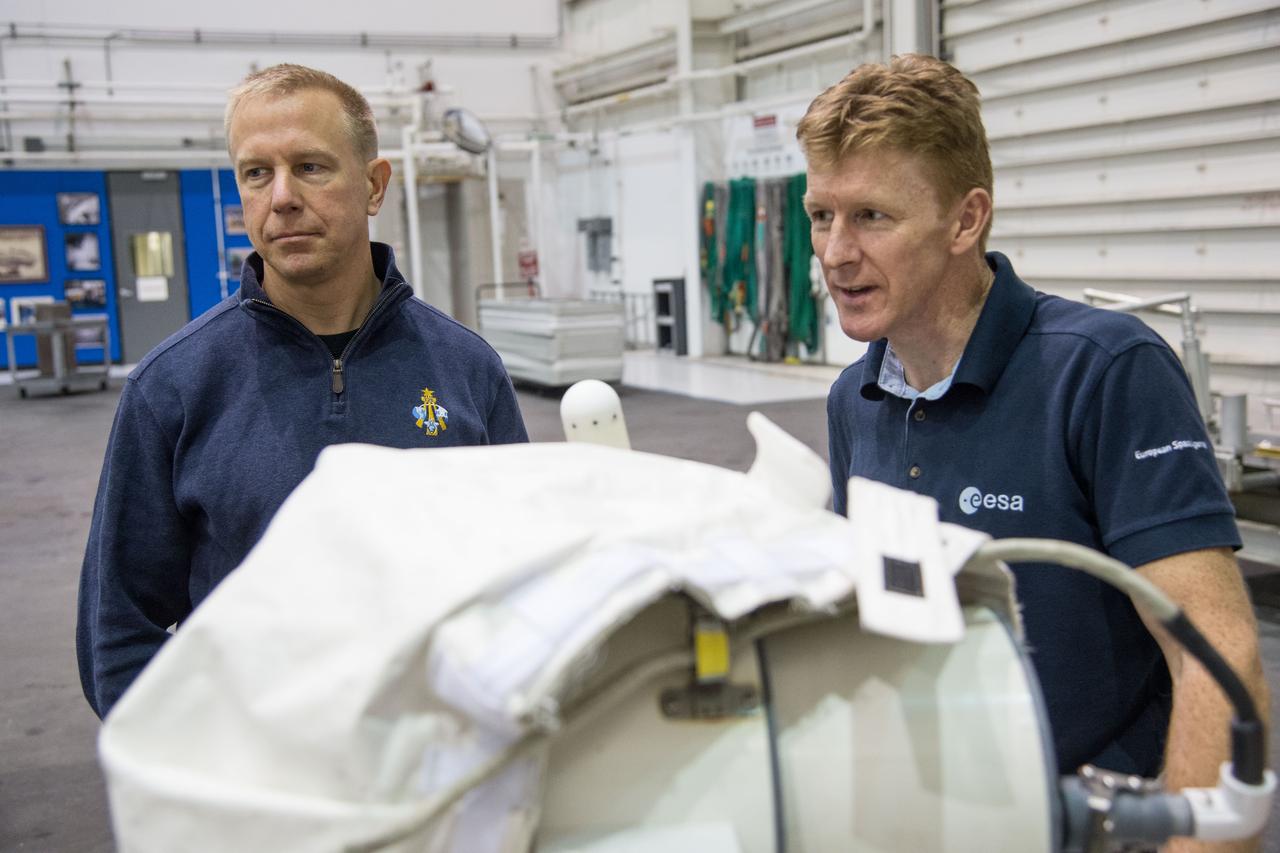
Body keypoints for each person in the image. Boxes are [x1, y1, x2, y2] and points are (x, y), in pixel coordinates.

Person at [800, 55, 1266, 850]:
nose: (836, 252)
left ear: (964, 220)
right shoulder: (857, 398)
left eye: (872, 216)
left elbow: (1217, 656)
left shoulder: (1104, 371)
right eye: (821, 215)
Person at [77, 64, 528, 719]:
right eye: (257, 172)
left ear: (374, 186)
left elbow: (520, 575)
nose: (281, 196)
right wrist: (205, 766)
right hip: (259, 792)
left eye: (311, 167)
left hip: (443, 773)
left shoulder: (466, 369)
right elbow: (117, 631)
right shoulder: (171, 387)